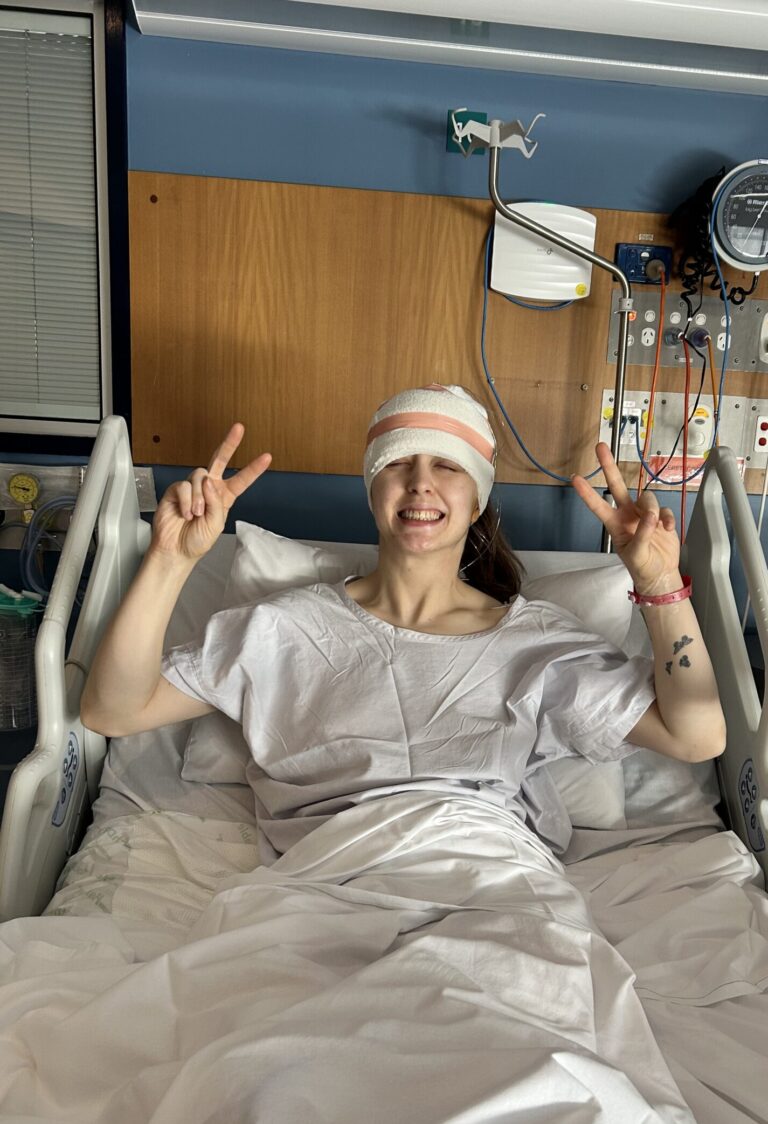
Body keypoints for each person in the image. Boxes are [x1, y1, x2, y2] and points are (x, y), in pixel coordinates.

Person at [79, 383, 725, 1120]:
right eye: (399, 464)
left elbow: (696, 733)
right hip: (328, 890)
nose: (421, 483)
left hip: (492, 891)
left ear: (479, 497)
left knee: (531, 1069)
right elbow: (113, 708)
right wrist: (169, 559)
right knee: (282, 1082)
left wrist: (657, 583)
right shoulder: (285, 629)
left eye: (447, 466)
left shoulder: (537, 642)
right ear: (372, 487)